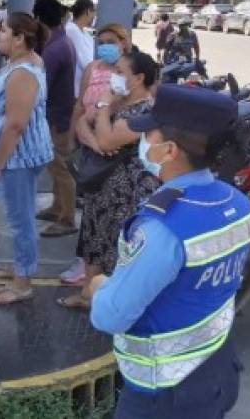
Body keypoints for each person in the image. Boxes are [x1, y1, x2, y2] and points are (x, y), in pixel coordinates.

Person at [88, 85, 250, 418]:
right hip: (218, 372)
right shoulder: (237, 202)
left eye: (149, 133)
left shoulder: (163, 227)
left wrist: (98, 286)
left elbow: (109, 316)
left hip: (163, 394)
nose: (143, 141)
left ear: (169, 150)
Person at [59, 51, 159, 310]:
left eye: (120, 72)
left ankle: (111, 306)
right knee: (93, 239)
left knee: (115, 248)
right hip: (100, 186)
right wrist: (97, 145)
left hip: (126, 193)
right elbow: (83, 123)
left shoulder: (145, 110)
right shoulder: (119, 103)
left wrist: (103, 107)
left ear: (137, 78)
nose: (114, 78)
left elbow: (108, 137)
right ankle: (87, 297)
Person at [0, 14, 54, 305]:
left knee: (19, 219)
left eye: (3, 31)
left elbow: (16, 124)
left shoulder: (23, 72)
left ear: (19, 39)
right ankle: (20, 265)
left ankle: (23, 281)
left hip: (18, 158)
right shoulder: (20, 63)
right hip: (21, 154)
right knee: (19, 215)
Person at [59, 27, 123, 286]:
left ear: (123, 43)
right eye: (102, 42)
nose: (105, 46)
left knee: (112, 211)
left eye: (111, 42)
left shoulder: (125, 72)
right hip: (89, 146)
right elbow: (79, 106)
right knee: (90, 208)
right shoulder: (92, 68)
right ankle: (86, 263)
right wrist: (73, 138)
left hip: (115, 151)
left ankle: (107, 267)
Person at [33, 0, 78, 238]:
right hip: (59, 113)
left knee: (60, 168)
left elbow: (41, 87)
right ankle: (58, 207)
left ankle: (67, 218)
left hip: (56, 117)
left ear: (39, 19)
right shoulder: (60, 40)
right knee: (55, 165)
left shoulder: (54, 49)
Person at [66, 0, 96, 99]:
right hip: (76, 92)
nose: (94, 17)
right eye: (93, 13)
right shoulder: (72, 31)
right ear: (88, 11)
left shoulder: (84, 32)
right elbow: (86, 61)